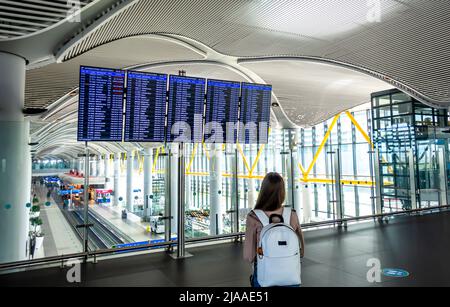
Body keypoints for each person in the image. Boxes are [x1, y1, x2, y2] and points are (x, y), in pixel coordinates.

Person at [244, 172, 305, 287]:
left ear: (263, 191)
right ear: (282, 192)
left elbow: (248, 256)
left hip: (265, 277)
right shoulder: (292, 214)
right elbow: (301, 250)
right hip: (291, 276)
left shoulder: (253, 217)